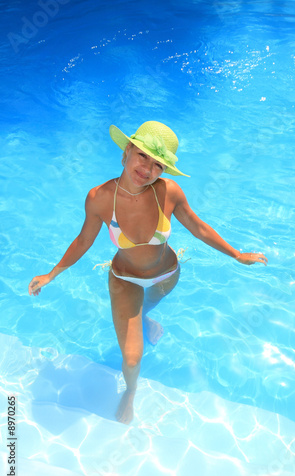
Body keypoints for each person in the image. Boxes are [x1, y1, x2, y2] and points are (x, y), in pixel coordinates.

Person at [28, 121, 268, 425]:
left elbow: (198, 227)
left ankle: (144, 316)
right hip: (124, 279)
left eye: (158, 164)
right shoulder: (100, 198)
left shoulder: (168, 192)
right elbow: (84, 240)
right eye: (143, 156)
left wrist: (236, 255)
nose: (147, 168)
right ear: (127, 151)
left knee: (146, 309)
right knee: (131, 359)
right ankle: (130, 391)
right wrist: (51, 275)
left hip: (167, 274)